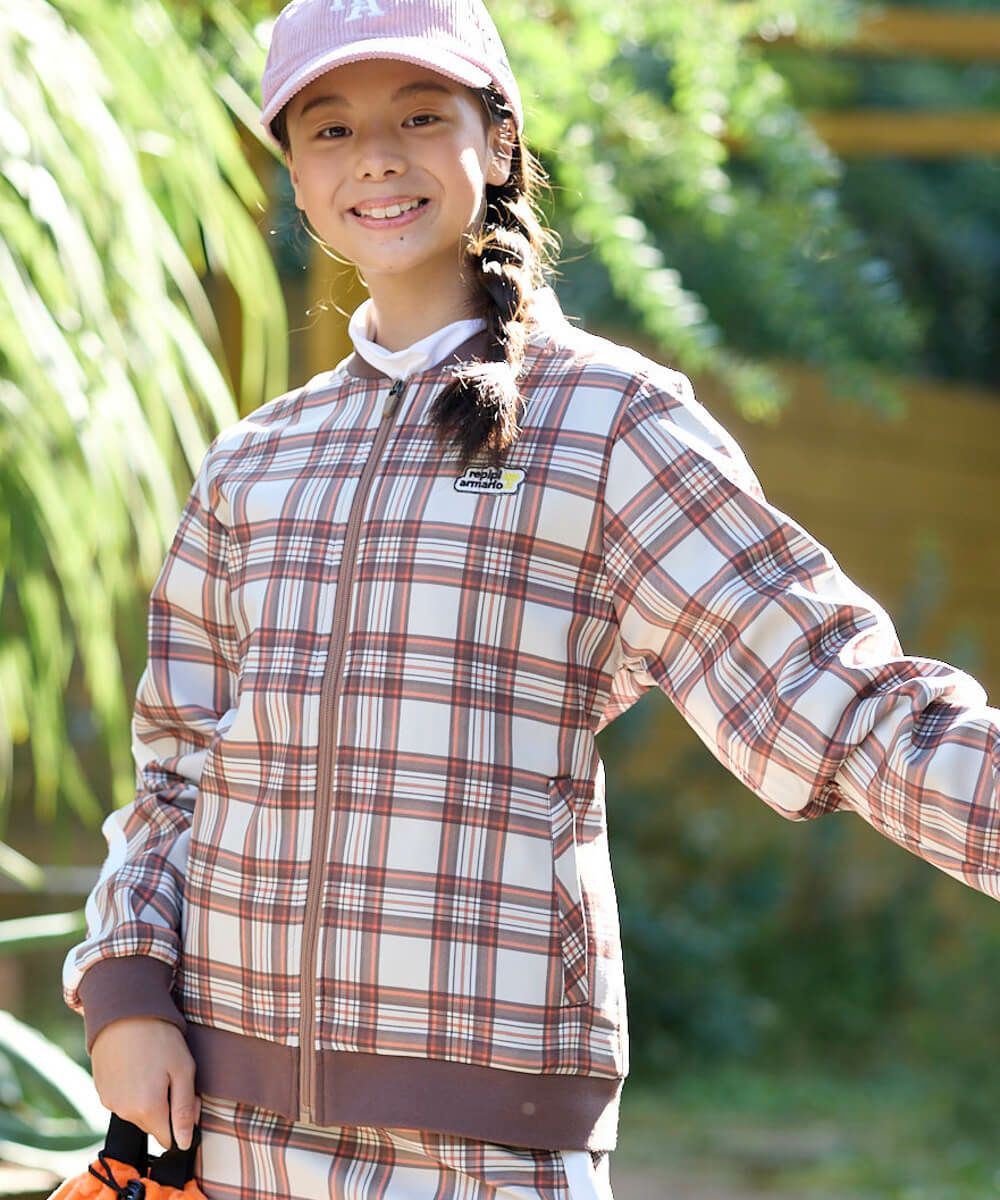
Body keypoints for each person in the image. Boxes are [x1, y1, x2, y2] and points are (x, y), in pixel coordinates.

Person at [62, 0, 999, 1196]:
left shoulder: (612, 424)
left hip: (489, 1141)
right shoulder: (256, 462)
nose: (376, 158)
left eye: (420, 117)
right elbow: (178, 769)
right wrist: (128, 991)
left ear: (498, 141)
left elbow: (831, 694)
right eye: (332, 129)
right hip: (230, 1125)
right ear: (294, 172)